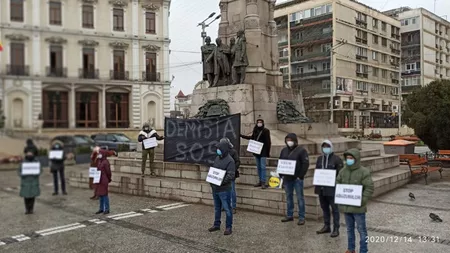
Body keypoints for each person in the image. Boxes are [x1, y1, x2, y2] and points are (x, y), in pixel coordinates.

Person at [336, 148, 374, 253]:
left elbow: (369, 188)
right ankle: (351, 248)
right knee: (349, 229)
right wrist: (340, 196)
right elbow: (337, 184)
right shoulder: (343, 171)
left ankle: (363, 250)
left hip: (358, 208)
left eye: (351, 158)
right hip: (346, 206)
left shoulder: (364, 172)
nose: (349, 159)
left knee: (362, 230)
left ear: (356, 159)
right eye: (347, 158)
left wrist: (362, 200)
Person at [278, 133, 309, 225]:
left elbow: (305, 163)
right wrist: (281, 174)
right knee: (289, 197)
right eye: (287, 140)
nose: (289, 142)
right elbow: (281, 162)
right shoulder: (284, 150)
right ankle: (289, 215)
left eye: (290, 140)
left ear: (295, 141)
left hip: (297, 178)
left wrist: (300, 176)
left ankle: (301, 217)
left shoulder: (301, 151)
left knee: (300, 198)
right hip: (287, 178)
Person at [314, 140, 343, 237]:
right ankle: (327, 226)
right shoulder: (319, 159)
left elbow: (340, 174)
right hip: (321, 188)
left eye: (327, 146)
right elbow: (317, 172)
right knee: (324, 208)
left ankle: (336, 228)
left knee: (334, 209)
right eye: (324, 147)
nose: (325, 148)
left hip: (332, 189)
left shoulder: (337, 159)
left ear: (331, 147)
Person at [208, 141, 235, 235]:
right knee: (217, 208)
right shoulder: (217, 158)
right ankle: (216, 225)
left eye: (219, 148)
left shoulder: (230, 161)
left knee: (227, 209)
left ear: (223, 149)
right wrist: (212, 181)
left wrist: (220, 182)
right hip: (215, 188)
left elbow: (230, 176)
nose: (217, 150)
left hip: (224, 189)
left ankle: (228, 227)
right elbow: (214, 170)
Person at [240, 119, 271, 189]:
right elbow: (252, 137)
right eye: (258, 122)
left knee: (263, 167)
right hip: (256, 151)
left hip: (263, 151)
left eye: (260, 122)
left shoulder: (266, 131)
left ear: (263, 123)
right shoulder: (255, 130)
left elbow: (268, 142)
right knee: (258, 167)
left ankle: (263, 181)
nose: (259, 123)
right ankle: (260, 181)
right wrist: (242, 136)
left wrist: (267, 152)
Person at [219, 137, 240, 214]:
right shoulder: (221, 152)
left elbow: (237, 162)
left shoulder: (233, 152)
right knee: (223, 191)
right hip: (223, 174)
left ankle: (233, 206)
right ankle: (224, 206)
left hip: (230, 174)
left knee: (232, 191)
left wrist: (232, 170)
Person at [19, 149, 41, 214]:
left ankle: (31, 209)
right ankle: (27, 209)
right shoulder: (23, 162)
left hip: (33, 181)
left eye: (30, 154)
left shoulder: (36, 162)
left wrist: (36, 173)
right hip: (25, 181)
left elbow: (40, 170)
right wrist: (22, 174)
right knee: (26, 197)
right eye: (28, 154)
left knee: (32, 196)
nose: (29, 155)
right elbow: (19, 171)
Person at [95, 150, 112, 214]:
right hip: (99, 179)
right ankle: (101, 208)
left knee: (104, 194)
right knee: (100, 195)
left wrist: (109, 179)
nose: (99, 155)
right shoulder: (99, 161)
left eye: (100, 154)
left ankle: (107, 209)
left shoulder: (105, 162)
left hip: (104, 179)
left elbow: (108, 172)